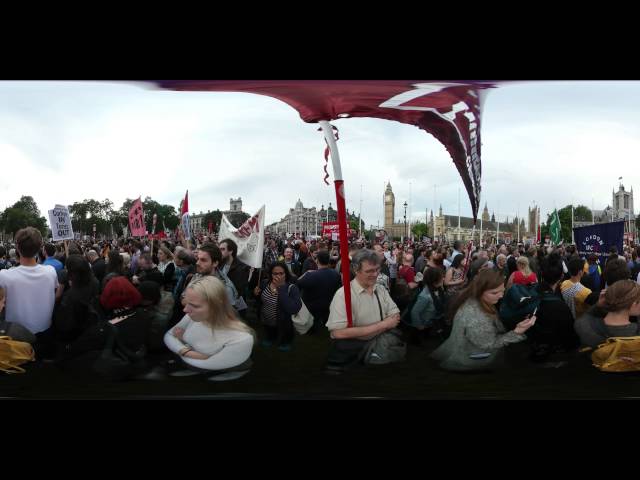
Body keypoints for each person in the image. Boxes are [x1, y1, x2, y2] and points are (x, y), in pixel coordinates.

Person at [430, 269, 535, 372]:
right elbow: (489, 345)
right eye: (494, 293)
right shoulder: (476, 317)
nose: (501, 295)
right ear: (480, 290)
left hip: (468, 351)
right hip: (474, 359)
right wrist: (517, 332)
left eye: (502, 291)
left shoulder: (476, 299)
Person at [164, 276, 255, 380]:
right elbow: (171, 335)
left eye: (195, 305)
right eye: (188, 303)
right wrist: (188, 351)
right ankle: (197, 368)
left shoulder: (235, 333)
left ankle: (238, 371)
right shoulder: (194, 315)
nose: (185, 310)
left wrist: (184, 343)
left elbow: (214, 356)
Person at [325, 249, 400, 369]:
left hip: (380, 348)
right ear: (356, 270)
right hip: (355, 353)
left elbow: (395, 317)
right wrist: (383, 325)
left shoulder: (380, 289)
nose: (375, 274)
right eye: (369, 271)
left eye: (377, 269)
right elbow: (337, 332)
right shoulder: (343, 295)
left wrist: (383, 325)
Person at [0, 227, 61, 358]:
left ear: (17, 247)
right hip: (45, 331)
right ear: (40, 247)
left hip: (16, 336)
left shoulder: (4, 276)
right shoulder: (50, 271)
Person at [574, 279, 640, 349]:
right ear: (633, 304)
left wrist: (597, 306)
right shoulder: (636, 334)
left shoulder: (583, 325)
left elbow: (585, 317)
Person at [253, 261, 301, 351]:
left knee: (284, 332)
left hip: (283, 322)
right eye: (275, 273)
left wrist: (281, 287)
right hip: (266, 318)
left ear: (286, 273)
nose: (278, 276)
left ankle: (285, 342)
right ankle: (270, 338)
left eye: (281, 273)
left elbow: (293, 308)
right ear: (270, 274)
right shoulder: (264, 283)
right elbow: (261, 300)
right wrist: (256, 294)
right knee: (269, 330)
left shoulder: (291, 288)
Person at [296, 250, 341, 333]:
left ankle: (313, 329)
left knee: (314, 320)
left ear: (317, 260)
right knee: (322, 316)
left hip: (311, 306)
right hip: (328, 303)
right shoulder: (336, 274)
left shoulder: (310, 275)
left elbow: (297, 283)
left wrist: (306, 273)